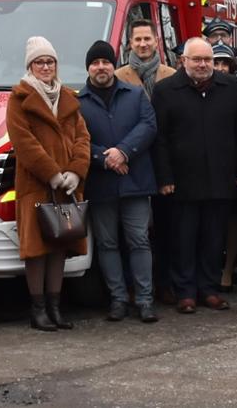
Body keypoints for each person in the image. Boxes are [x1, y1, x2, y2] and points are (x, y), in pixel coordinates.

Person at [153, 38, 237, 314]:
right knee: (183, 238)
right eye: (196, 59)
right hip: (182, 182)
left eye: (207, 60)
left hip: (221, 178)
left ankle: (209, 289)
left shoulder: (230, 87)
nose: (203, 65)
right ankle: (185, 292)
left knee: (214, 238)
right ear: (183, 61)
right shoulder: (165, 91)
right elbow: (159, 139)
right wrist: (164, 176)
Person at [10, 37, 93, 332]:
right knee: (36, 250)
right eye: (39, 62)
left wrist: (74, 171)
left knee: (59, 246)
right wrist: (53, 173)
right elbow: (24, 144)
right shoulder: (19, 98)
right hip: (36, 185)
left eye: (50, 62)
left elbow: (83, 138)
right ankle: (38, 310)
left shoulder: (68, 97)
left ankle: (56, 308)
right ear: (30, 66)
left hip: (67, 186)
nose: (45, 67)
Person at [79, 40, 158, 323]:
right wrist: (105, 158)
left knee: (139, 241)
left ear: (115, 65)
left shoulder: (135, 95)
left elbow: (149, 126)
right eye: (95, 63)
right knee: (108, 243)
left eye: (106, 62)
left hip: (136, 181)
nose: (101, 67)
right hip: (101, 184)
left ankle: (145, 300)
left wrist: (124, 151)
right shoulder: (78, 102)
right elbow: (77, 141)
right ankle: (118, 299)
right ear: (88, 67)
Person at [116, 19, 176, 98]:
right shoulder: (118, 77)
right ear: (131, 43)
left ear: (156, 41)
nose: (143, 44)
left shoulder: (172, 75)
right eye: (138, 39)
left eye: (147, 39)